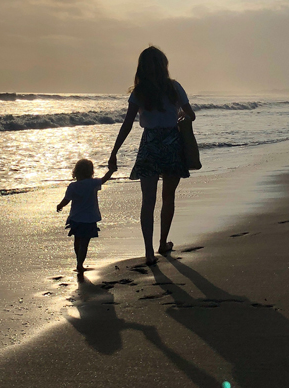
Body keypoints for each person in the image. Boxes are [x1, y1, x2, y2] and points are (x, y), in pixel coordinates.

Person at [108, 46, 196, 266]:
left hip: (149, 145)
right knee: (168, 197)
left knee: (148, 201)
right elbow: (191, 115)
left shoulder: (139, 92)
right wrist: (177, 113)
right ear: (163, 65)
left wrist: (114, 151)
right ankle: (163, 242)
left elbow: (127, 124)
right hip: (172, 144)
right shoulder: (174, 87)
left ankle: (148, 252)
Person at [57, 159, 114, 273]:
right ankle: (80, 264)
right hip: (89, 219)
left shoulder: (73, 186)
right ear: (91, 172)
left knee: (77, 241)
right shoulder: (92, 183)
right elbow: (104, 180)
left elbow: (66, 200)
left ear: (76, 172)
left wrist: (60, 205)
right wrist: (111, 171)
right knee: (85, 243)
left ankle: (78, 260)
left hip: (76, 218)